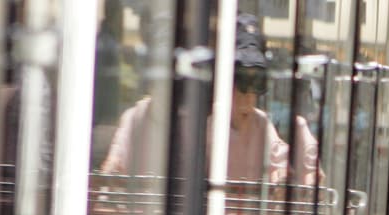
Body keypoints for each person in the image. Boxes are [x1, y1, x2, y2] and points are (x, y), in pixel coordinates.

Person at [101, 15, 291, 182]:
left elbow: (284, 167)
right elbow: (113, 166)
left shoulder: (256, 124)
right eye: (159, 74)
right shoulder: (135, 117)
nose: (249, 96)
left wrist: (281, 177)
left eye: (256, 84)